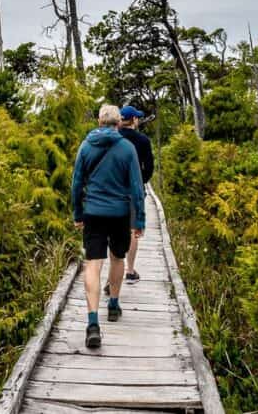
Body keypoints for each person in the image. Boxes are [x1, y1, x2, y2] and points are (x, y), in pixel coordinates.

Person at [71, 104, 146, 349]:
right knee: (117, 259)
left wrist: (77, 213)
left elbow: (76, 183)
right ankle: (113, 304)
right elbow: (137, 187)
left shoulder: (86, 145)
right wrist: (139, 220)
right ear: (118, 123)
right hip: (119, 214)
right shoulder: (127, 148)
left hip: (93, 212)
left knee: (93, 264)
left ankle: (93, 323)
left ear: (99, 122)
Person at [117, 105, 153, 285]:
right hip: (134, 191)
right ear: (134, 120)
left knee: (115, 230)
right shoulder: (143, 140)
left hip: (115, 189)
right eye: (137, 118)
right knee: (133, 230)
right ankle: (130, 271)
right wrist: (141, 181)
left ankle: (115, 270)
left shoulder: (114, 138)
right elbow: (149, 168)